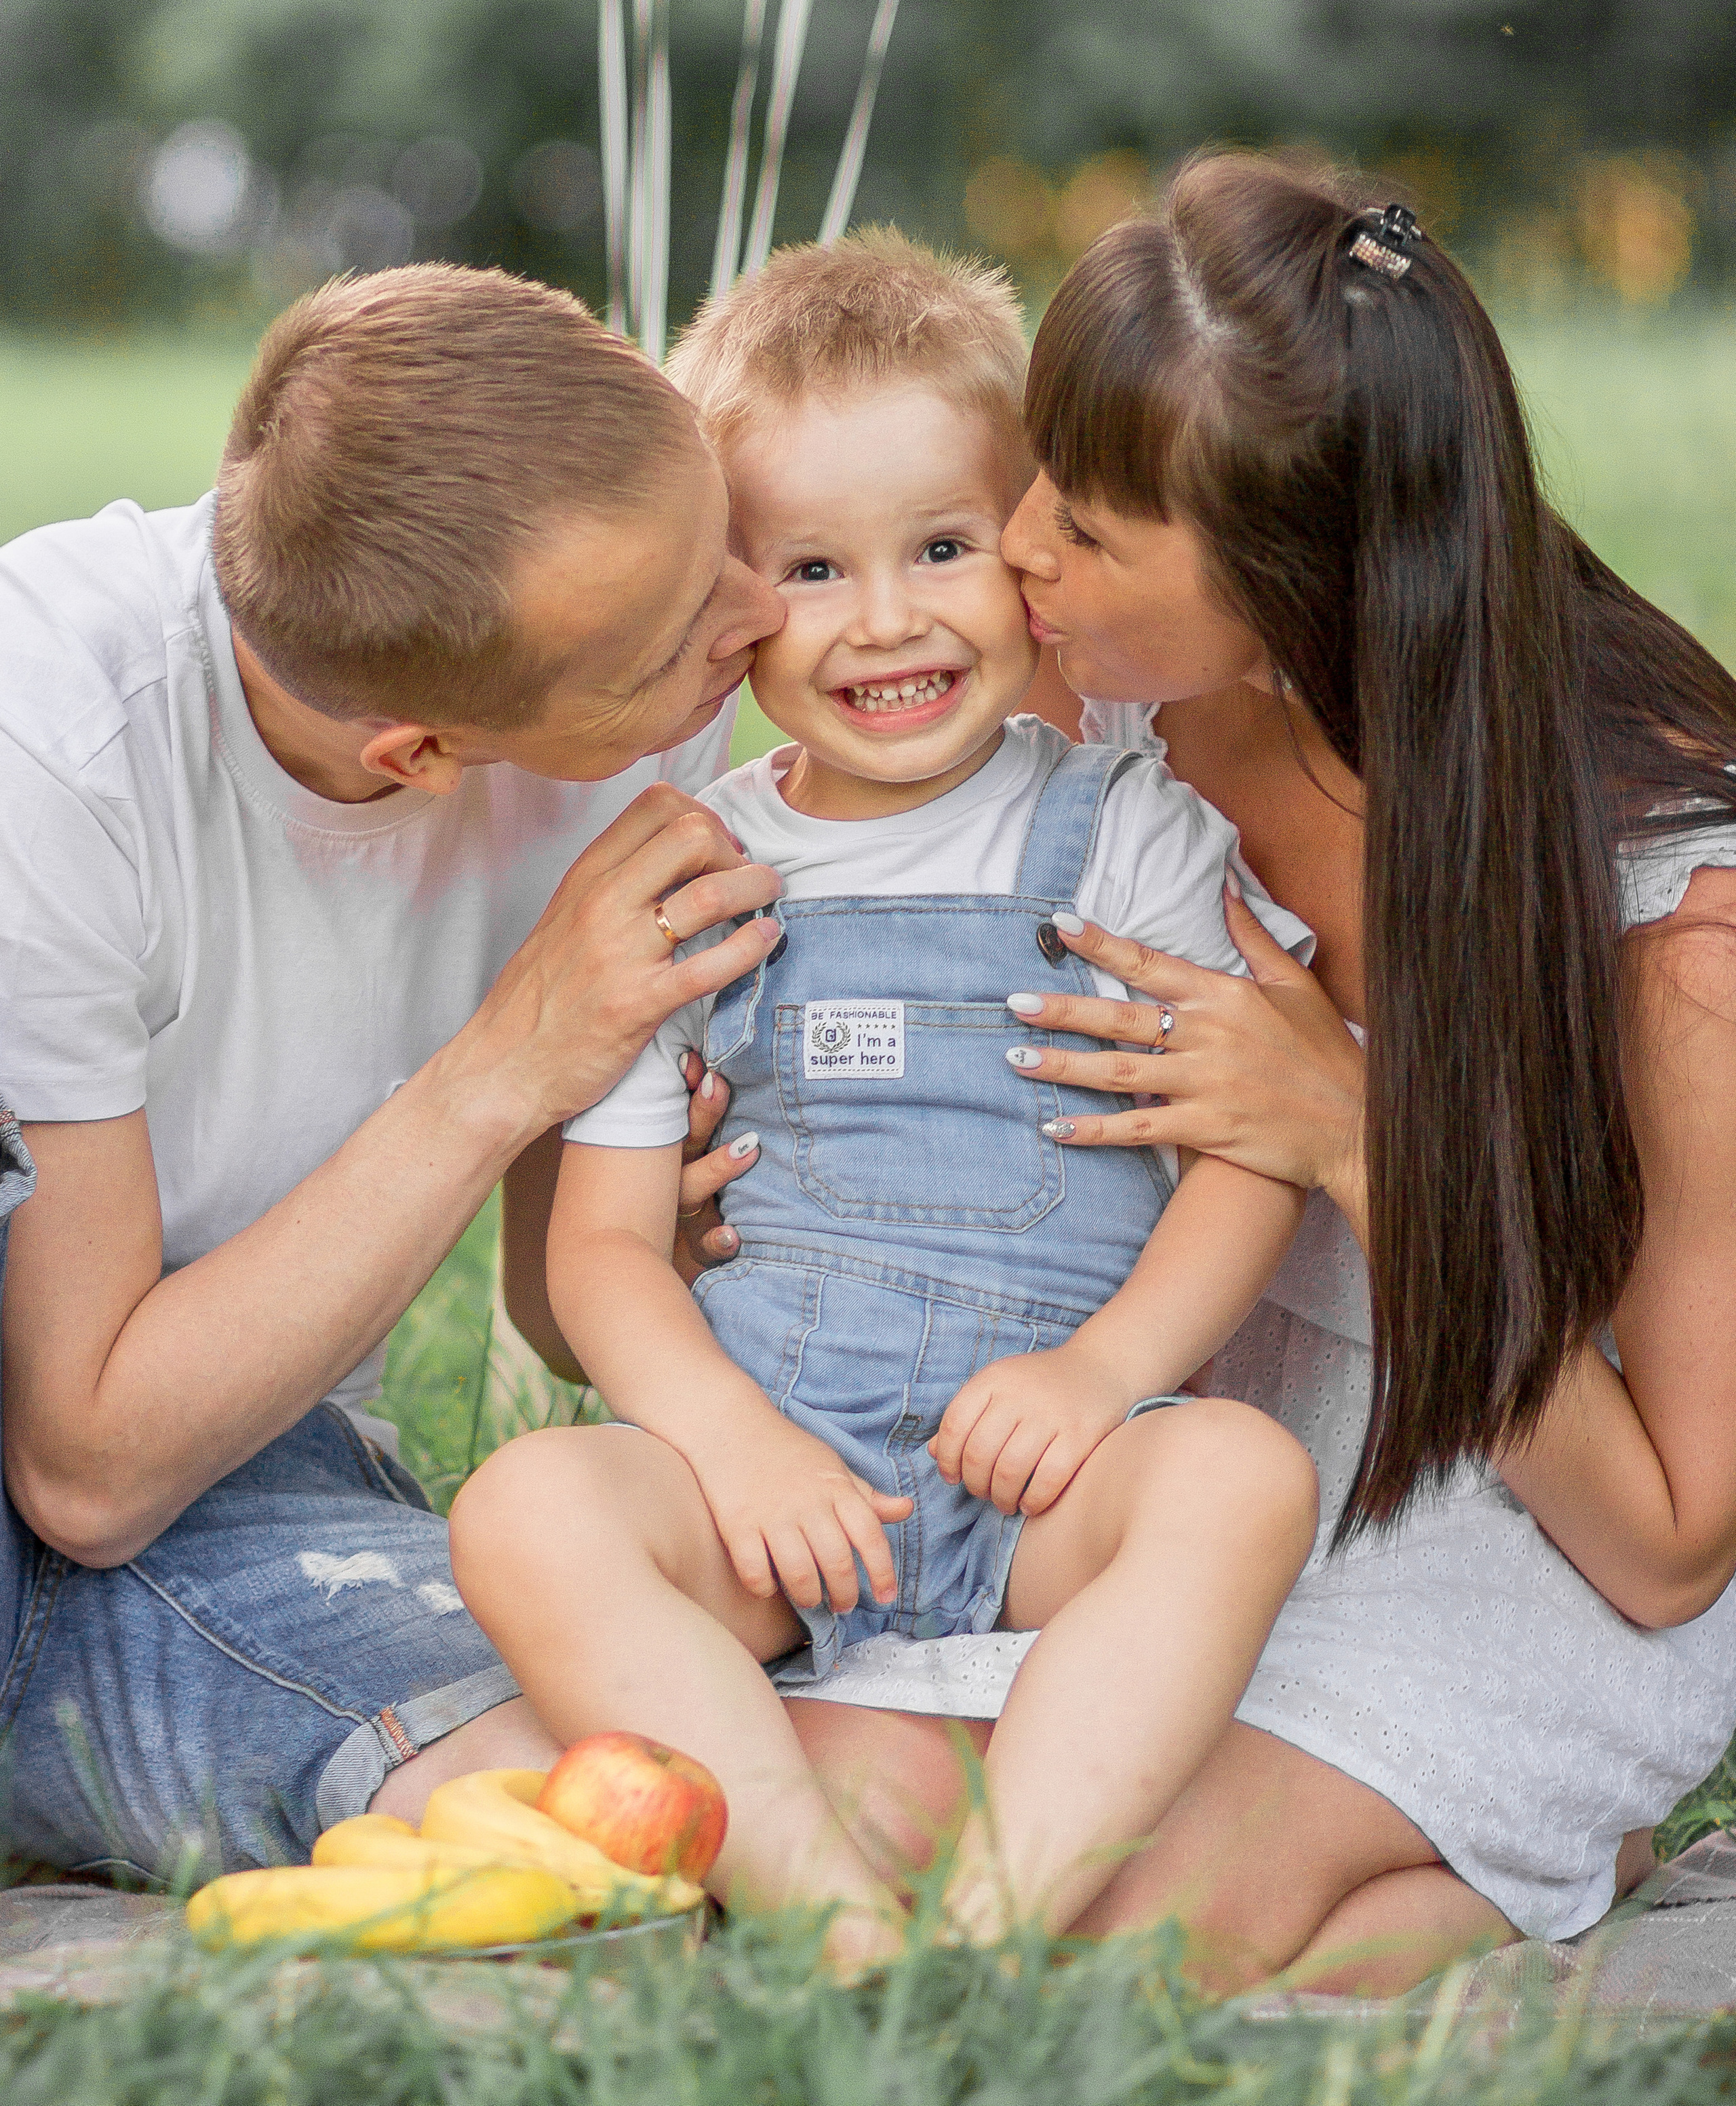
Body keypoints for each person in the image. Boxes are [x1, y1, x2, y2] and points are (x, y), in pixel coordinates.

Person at [772, 155, 1736, 1993]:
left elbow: (1674, 1550)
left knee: (1116, 1938)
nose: (1026, 545)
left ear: (1310, 594)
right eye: (1047, 468)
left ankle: (1519, 1846)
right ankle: (1413, 1893)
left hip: (1505, 1528)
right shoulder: (1092, 705)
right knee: (817, 1816)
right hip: (1164, 1473)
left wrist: (1355, 1145)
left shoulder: (1676, 929)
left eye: (1100, 527)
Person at [449, 229, 1320, 1968]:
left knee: (1233, 1476)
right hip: (776, 1480)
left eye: (939, 546)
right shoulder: (688, 878)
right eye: (813, 569)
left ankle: (995, 1929)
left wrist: (1107, 1371)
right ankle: (828, 1917)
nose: (888, 620)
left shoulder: (1125, 832)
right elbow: (600, 1256)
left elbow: (1245, 1151)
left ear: (1026, 545)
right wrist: (729, 1441)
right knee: (524, 1506)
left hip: (1045, 1473)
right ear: (725, 593)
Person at [0, 262, 787, 1880]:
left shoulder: (641, 680)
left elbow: (557, 1306)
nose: (756, 616)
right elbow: (80, 1464)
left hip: (237, 1434)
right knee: (585, 1784)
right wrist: (509, 1059)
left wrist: (690, 1234)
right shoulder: (55, 750)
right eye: (666, 647)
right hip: (68, 1413)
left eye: (717, 545)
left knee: (645, 1757)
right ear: (415, 758)